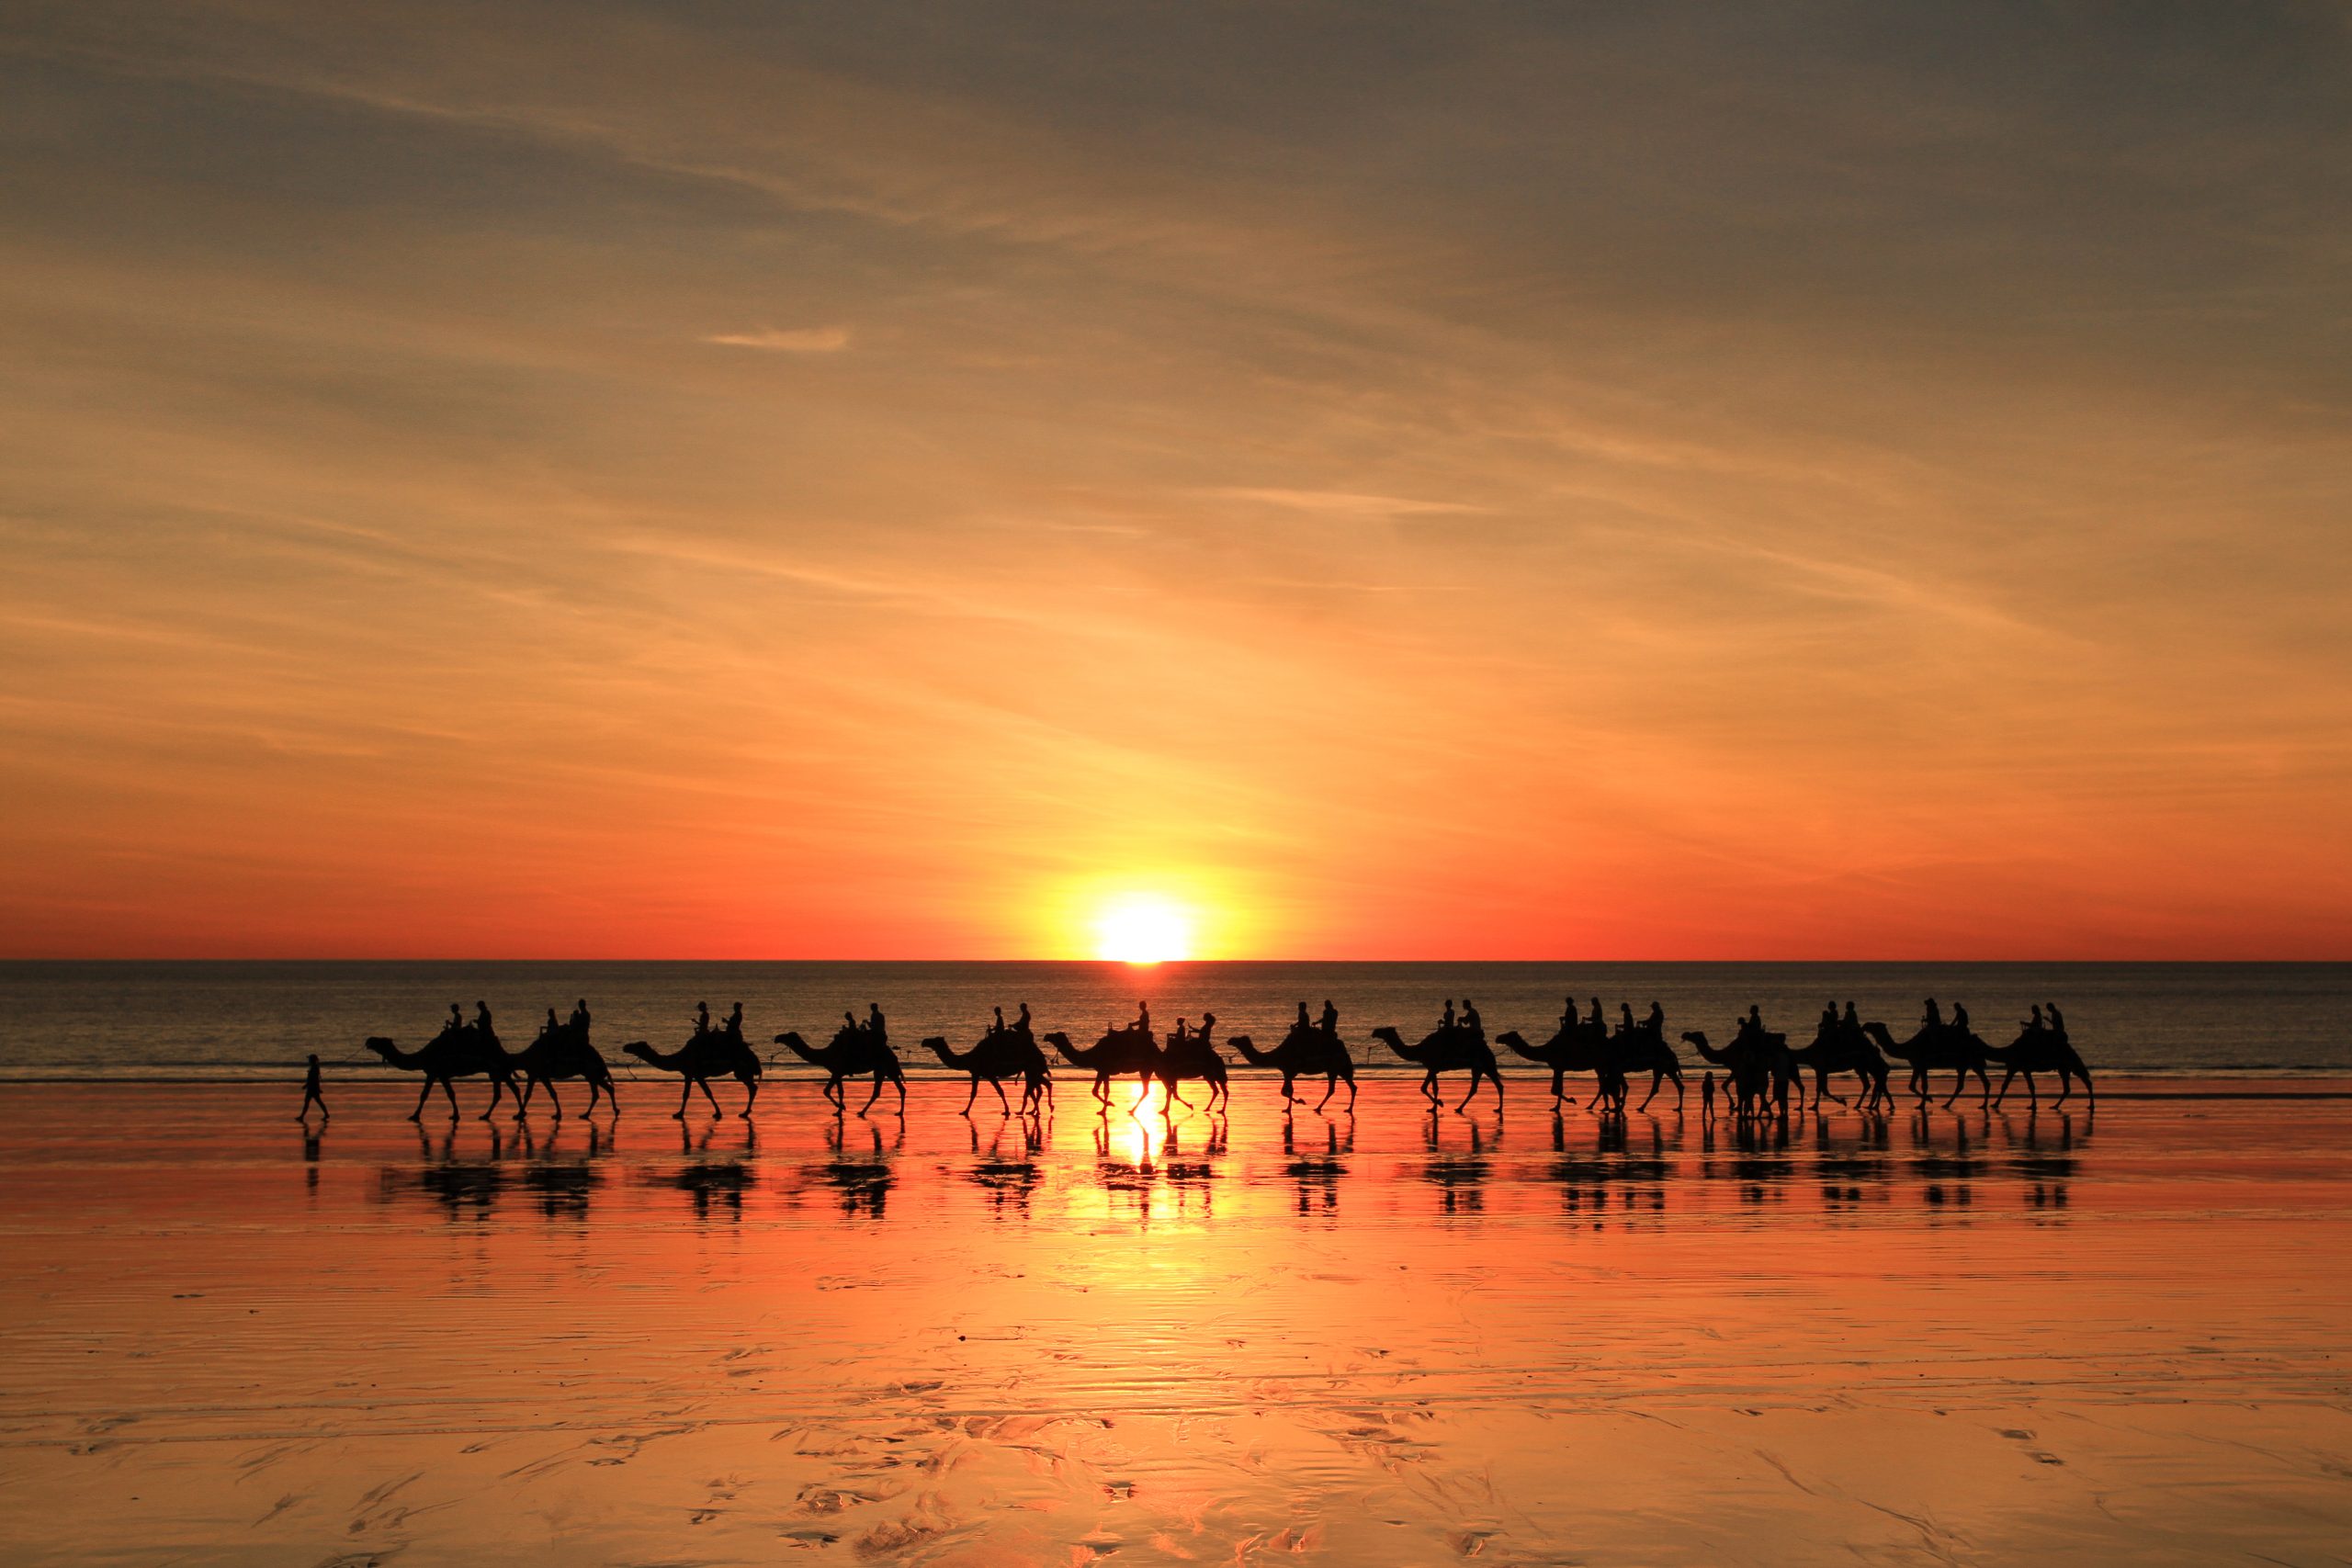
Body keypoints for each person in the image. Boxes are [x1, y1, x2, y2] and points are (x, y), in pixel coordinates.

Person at [298, 1054, 327, 1122]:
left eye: (309, 1059)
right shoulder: (315, 1067)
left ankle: (301, 1117)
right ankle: (326, 1114)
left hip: (312, 1089)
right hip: (313, 1088)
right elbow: (315, 1080)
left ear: (312, 1060)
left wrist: (306, 1085)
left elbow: (313, 1080)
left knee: (308, 1102)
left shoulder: (314, 1068)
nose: (308, 1060)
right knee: (318, 1102)